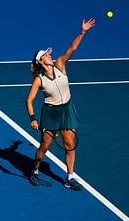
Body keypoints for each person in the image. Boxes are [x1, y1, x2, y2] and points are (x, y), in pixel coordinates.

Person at [25, 18, 95, 191]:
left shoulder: (60, 65)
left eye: (49, 54)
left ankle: (70, 177)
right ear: (41, 61)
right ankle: (34, 171)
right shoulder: (39, 80)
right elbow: (29, 100)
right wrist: (33, 118)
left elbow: (73, 48)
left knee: (70, 145)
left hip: (67, 110)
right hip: (51, 114)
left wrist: (82, 31)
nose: (50, 55)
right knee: (45, 146)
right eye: (46, 55)